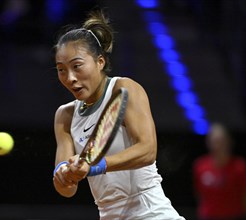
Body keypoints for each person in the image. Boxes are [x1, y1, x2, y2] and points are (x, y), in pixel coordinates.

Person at [52, 9, 185, 219]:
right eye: (61, 69)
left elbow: (148, 150)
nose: (70, 78)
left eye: (77, 66)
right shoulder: (64, 116)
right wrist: (65, 175)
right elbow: (67, 190)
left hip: (151, 213)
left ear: (100, 62)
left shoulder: (124, 89)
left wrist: (95, 166)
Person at [193, 123, 246, 220]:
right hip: (209, 216)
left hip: (234, 217)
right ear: (208, 143)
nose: (218, 145)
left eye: (221, 141)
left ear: (229, 142)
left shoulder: (240, 166)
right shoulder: (200, 166)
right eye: (214, 141)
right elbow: (199, 194)